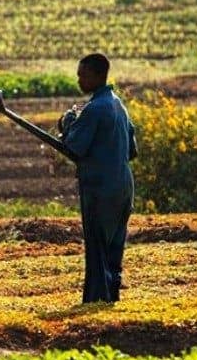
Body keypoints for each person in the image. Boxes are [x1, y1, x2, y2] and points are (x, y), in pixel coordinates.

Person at [57, 53, 137, 303]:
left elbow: (74, 147)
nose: (79, 79)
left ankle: (96, 300)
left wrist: (68, 123)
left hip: (100, 189)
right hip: (123, 187)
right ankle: (111, 297)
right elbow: (132, 150)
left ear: (97, 76)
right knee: (113, 248)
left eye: (83, 75)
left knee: (97, 248)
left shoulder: (95, 109)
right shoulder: (117, 105)